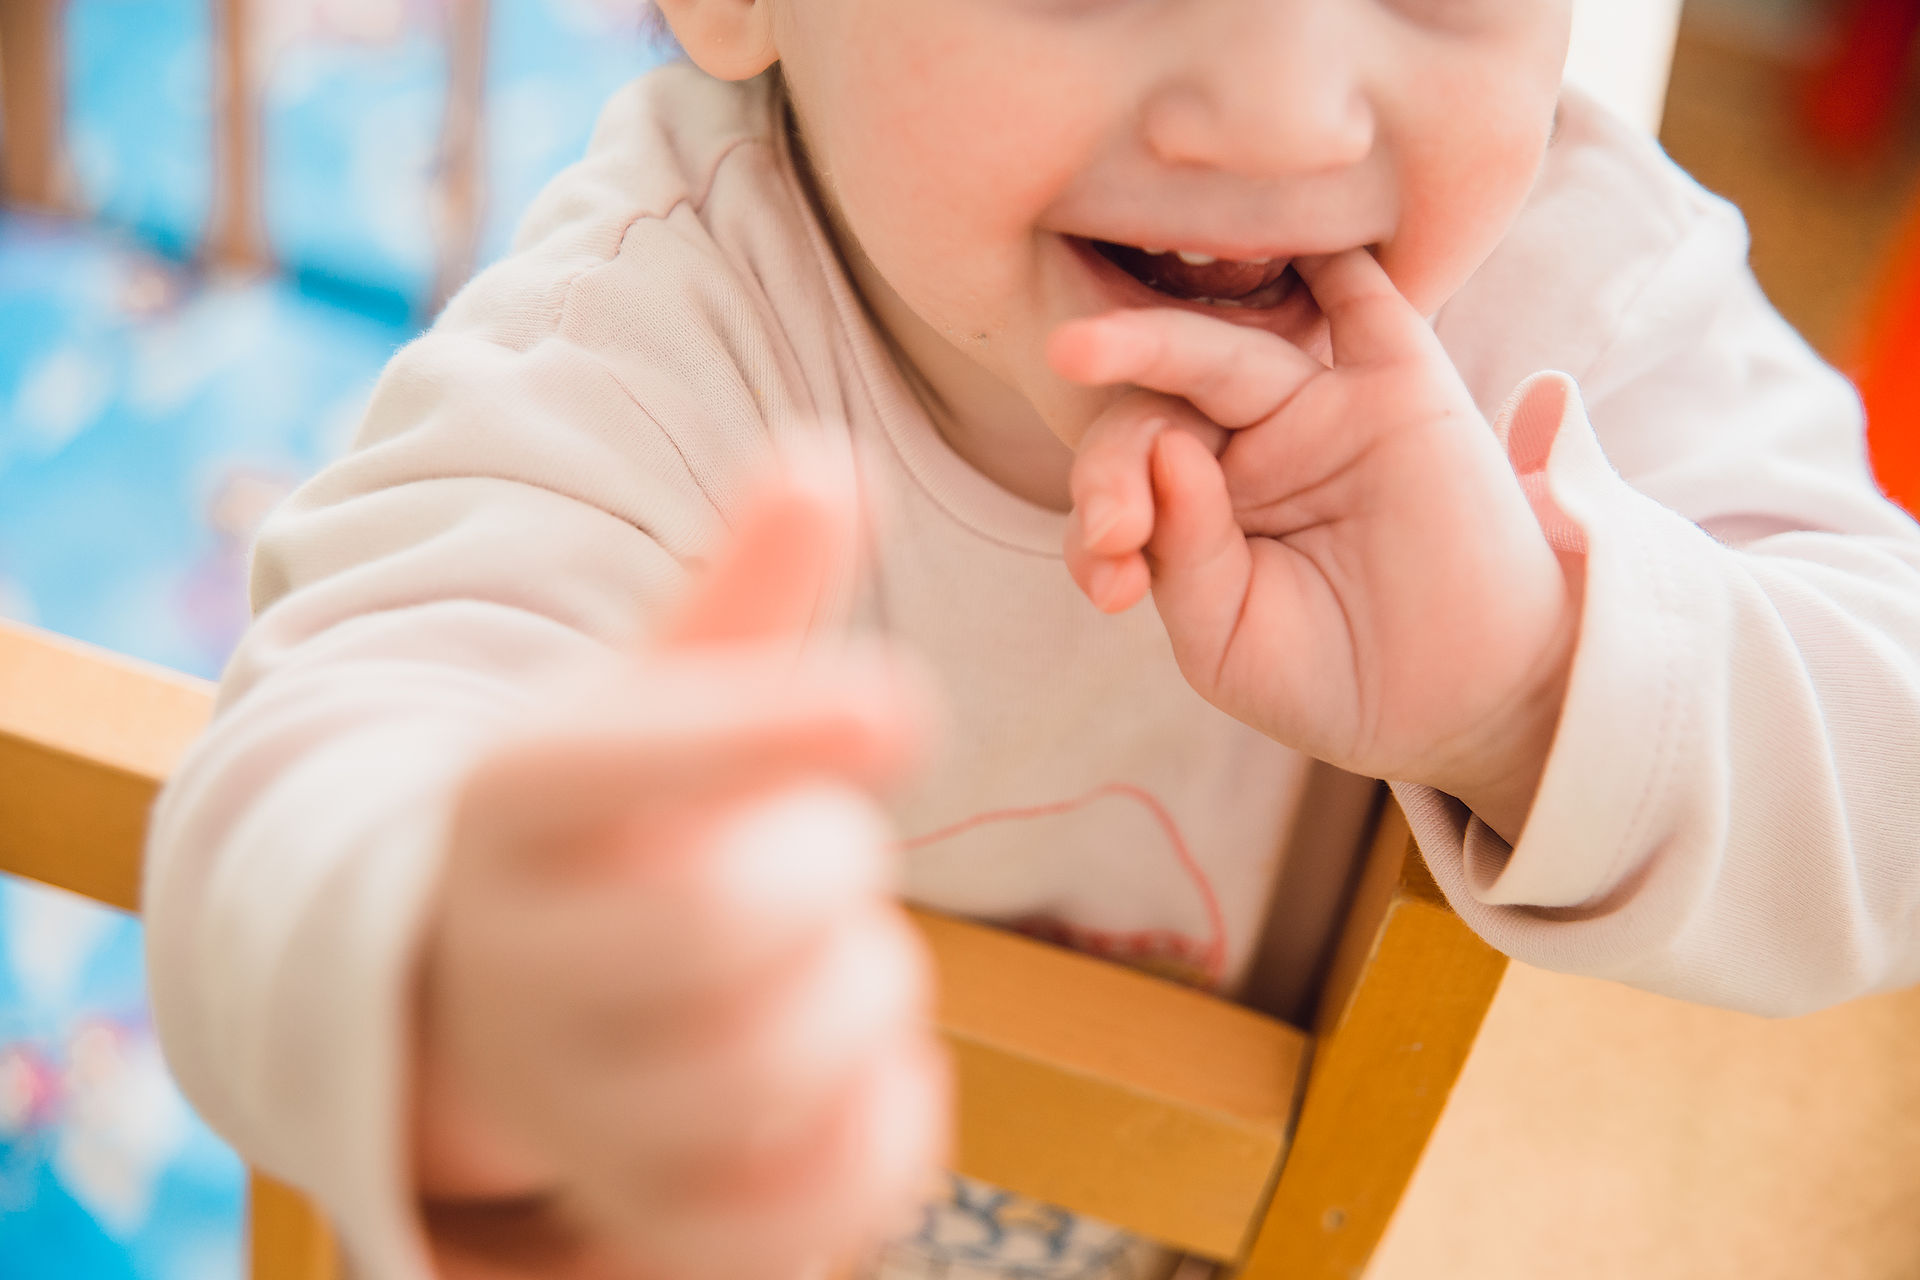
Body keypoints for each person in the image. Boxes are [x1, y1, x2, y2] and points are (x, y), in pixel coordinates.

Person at [143, 1, 1920, 1278]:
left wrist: (1536, 679)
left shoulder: (1568, 288)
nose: (1290, 109)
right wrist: (472, 996)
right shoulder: (650, 352)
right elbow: (320, 752)